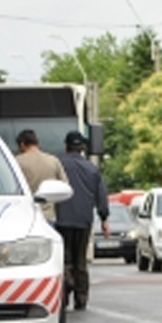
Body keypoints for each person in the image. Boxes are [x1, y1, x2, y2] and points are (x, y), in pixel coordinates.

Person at [55, 130, 109, 311]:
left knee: (64, 259)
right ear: (82, 148)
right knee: (81, 260)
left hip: (61, 219)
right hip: (84, 220)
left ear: (66, 146)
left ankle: (67, 283)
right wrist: (104, 218)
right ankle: (81, 298)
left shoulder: (59, 165)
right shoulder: (92, 169)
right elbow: (100, 195)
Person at [15, 129, 68, 223]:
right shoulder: (53, 161)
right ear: (37, 143)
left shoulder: (16, 162)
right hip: (47, 216)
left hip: (23, 215)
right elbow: (65, 185)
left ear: (22, 144)